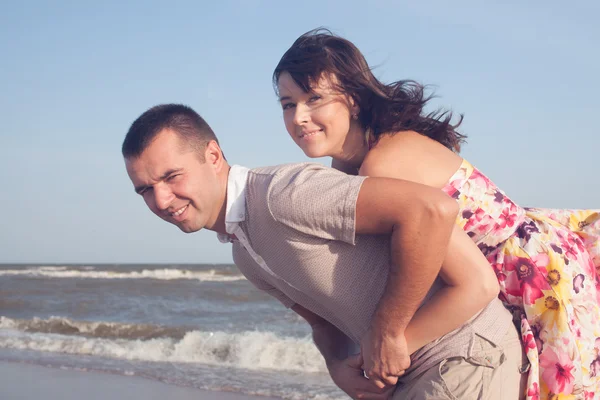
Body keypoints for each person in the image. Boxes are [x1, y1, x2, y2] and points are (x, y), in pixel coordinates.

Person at [273, 28, 600, 399]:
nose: (299, 116)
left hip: (531, 275)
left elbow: (473, 283)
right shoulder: (350, 166)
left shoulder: (380, 164)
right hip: (517, 261)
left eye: (314, 98)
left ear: (353, 100)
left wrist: (390, 345)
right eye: (288, 104)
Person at [122, 104, 525, 399]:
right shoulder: (244, 252)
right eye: (144, 189)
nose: (160, 200)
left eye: (171, 177)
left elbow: (431, 211)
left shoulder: (284, 194)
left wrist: (387, 329)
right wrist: (336, 367)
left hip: (463, 355)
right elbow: (323, 324)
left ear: (212, 156)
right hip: (408, 377)